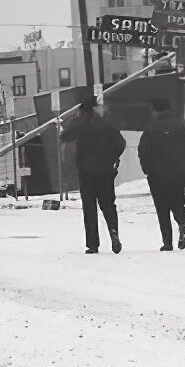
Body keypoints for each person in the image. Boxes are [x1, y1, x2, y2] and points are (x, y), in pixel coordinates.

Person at [61, 96, 126, 254]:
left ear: (82, 110)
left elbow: (64, 135)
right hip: (105, 170)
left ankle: (92, 244)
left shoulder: (81, 123)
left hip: (86, 171)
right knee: (108, 204)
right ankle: (113, 232)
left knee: (89, 208)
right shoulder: (106, 123)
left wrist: (77, 119)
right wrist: (112, 158)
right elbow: (121, 143)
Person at [138, 98, 185, 251]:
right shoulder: (181, 126)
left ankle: (167, 242)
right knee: (177, 200)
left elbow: (143, 150)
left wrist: (147, 169)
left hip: (157, 173)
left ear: (156, 110)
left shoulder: (151, 127)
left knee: (162, 207)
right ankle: (182, 222)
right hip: (178, 171)